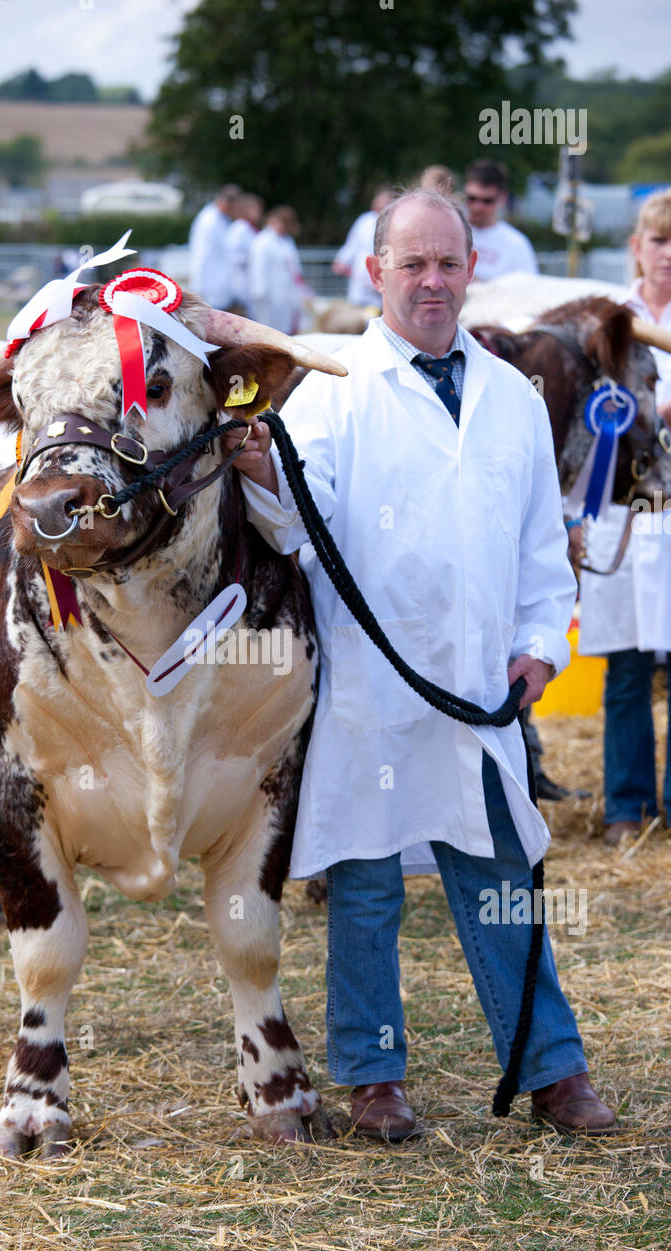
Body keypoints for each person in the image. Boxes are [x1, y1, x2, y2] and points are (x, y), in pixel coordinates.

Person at [230, 188, 616, 1139]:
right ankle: (374, 1076)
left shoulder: (512, 399)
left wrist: (538, 645)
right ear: (376, 272)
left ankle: (552, 1073)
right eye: (413, 264)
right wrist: (260, 469)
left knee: (500, 877)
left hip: (480, 692)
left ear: (472, 268)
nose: (432, 281)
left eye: (448, 263)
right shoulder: (330, 390)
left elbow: (540, 546)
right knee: (364, 889)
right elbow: (293, 524)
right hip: (370, 689)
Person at [576, 190, 671, 845]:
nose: (668, 256)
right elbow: (583, 416)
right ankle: (627, 806)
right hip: (626, 511)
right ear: (636, 246)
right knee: (629, 665)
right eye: (659, 241)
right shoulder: (603, 324)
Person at [464, 160, 538, 282]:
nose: (478, 207)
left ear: (502, 198)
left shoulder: (516, 244)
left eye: (487, 201)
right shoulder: (451, 234)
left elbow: (528, 292)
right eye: (472, 199)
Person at [248, 205, 306, 334]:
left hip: (285, 295)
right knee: (267, 329)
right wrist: (259, 290)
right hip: (268, 294)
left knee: (285, 329)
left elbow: (294, 267)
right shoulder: (263, 241)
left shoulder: (287, 240)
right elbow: (258, 268)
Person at [332, 186, 392, 307]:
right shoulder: (365, 220)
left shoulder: (394, 222)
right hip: (360, 280)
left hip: (382, 283)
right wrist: (341, 260)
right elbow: (353, 244)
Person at [188, 184, 241, 309]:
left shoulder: (221, 220)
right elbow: (202, 255)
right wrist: (198, 288)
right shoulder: (209, 221)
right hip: (208, 289)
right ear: (228, 203)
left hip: (218, 287)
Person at [225, 193, 264, 314]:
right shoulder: (239, 228)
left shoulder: (251, 229)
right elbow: (232, 255)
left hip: (250, 280)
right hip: (240, 281)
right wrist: (251, 258)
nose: (258, 213)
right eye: (254, 209)